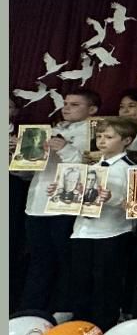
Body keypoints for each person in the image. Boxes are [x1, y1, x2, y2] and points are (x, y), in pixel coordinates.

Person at [22, 88, 97, 316]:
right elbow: (25, 173)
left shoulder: (96, 133)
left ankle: (64, 310)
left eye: (75, 104)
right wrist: (20, 156)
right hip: (36, 205)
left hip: (66, 205)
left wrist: (65, 149)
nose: (66, 108)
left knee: (67, 261)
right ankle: (31, 312)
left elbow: (91, 170)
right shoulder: (50, 131)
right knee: (39, 260)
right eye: (65, 103)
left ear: (92, 109)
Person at [63, 117, 137, 333]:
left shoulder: (131, 168)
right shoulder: (91, 167)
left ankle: (104, 328)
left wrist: (112, 198)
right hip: (82, 231)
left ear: (126, 141)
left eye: (109, 137)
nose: (102, 141)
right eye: (99, 136)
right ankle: (80, 328)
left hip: (112, 232)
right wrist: (61, 193)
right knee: (80, 281)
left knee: (106, 284)